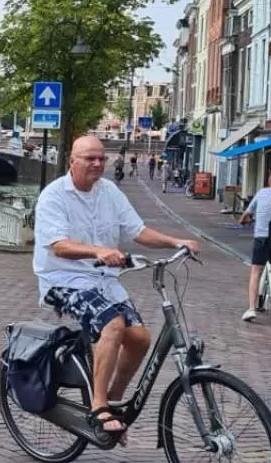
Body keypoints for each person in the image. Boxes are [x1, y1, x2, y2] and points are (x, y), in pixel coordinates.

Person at [33, 134, 201, 439]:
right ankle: (99, 407)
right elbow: (59, 246)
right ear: (72, 160)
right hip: (63, 279)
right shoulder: (54, 196)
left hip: (103, 281)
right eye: (90, 158)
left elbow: (138, 231)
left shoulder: (109, 192)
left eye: (101, 158)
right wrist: (97, 251)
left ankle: (112, 399)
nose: (98, 164)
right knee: (113, 324)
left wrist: (175, 241)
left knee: (139, 338)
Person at [238, 170, 271, 321]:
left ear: (269, 182)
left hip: (261, 237)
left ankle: (251, 308)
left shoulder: (261, 193)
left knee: (256, 271)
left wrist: (242, 220)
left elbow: (247, 213)